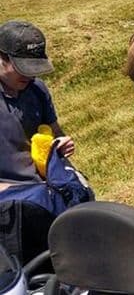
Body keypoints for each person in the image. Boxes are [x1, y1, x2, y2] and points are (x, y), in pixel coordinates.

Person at [0, 20, 75, 187]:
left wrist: (61, 143)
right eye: (22, 67)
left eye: (35, 68)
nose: (30, 75)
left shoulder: (37, 89)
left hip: (44, 184)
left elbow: (55, 131)